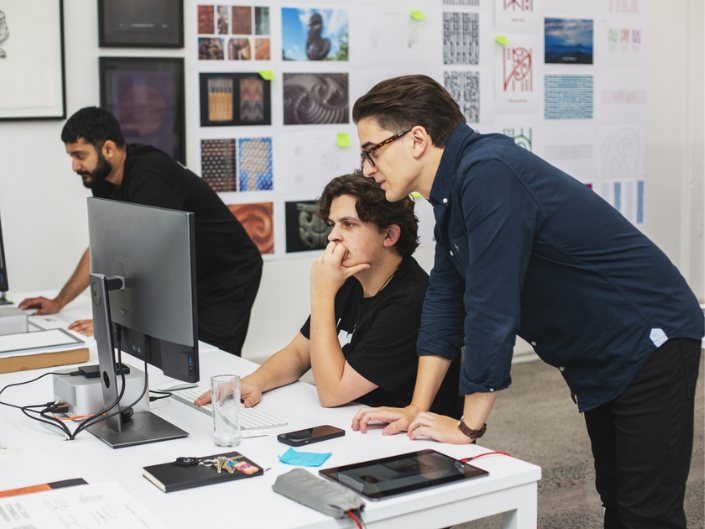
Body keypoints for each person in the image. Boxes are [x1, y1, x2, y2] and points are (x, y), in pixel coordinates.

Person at [350, 75, 703, 529]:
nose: (367, 168)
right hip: (598, 350)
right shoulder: (452, 194)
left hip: (648, 337)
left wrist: (467, 427)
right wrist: (419, 407)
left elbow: (491, 306)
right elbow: (445, 300)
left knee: (646, 511)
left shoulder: (488, 172)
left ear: (416, 138)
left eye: (372, 150)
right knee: (618, 498)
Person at [196, 173, 462, 416]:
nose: (333, 236)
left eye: (349, 224)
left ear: (389, 234)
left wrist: (321, 294)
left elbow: (332, 393)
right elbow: (299, 354)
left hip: (408, 445)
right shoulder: (353, 278)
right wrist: (255, 381)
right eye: (333, 224)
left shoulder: (408, 303)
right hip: (358, 422)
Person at [18, 107, 262, 357]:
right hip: (189, 275)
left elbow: (150, 265)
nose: (74, 166)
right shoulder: (104, 180)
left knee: (210, 361)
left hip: (227, 274)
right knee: (173, 357)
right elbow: (101, 248)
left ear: (108, 149)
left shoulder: (148, 178)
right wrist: (59, 302)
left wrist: (114, 324)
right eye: (71, 156)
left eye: (80, 155)